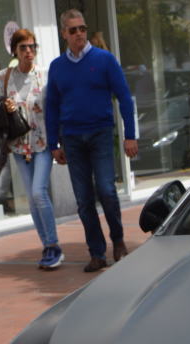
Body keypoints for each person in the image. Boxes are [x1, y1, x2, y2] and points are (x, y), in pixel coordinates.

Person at [45, 9, 137, 273]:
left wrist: (130, 135)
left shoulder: (105, 60)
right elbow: (52, 107)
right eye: (73, 30)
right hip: (72, 138)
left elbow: (124, 97)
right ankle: (96, 253)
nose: (79, 34)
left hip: (100, 134)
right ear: (64, 33)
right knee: (84, 199)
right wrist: (54, 143)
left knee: (107, 190)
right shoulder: (57, 67)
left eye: (82, 29)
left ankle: (118, 241)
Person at [2, 28, 62, 270]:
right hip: (18, 144)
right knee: (31, 197)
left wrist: (60, 141)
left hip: (43, 142)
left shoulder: (45, 75)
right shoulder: (4, 77)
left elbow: (55, 109)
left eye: (32, 47)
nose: (29, 51)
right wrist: (6, 108)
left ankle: (54, 245)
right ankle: (46, 246)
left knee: (39, 192)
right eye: (24, 47)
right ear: (15, 50)